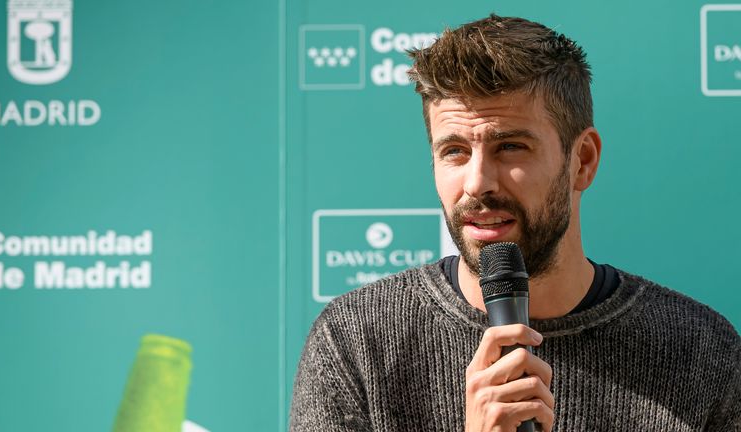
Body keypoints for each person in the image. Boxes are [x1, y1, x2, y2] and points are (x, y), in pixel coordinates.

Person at [289, 14, 740, 432]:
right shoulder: (355, 341)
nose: (477, 183)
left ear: (582, 161)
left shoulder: (701, 352)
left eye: (509, 147)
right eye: (454, 151)